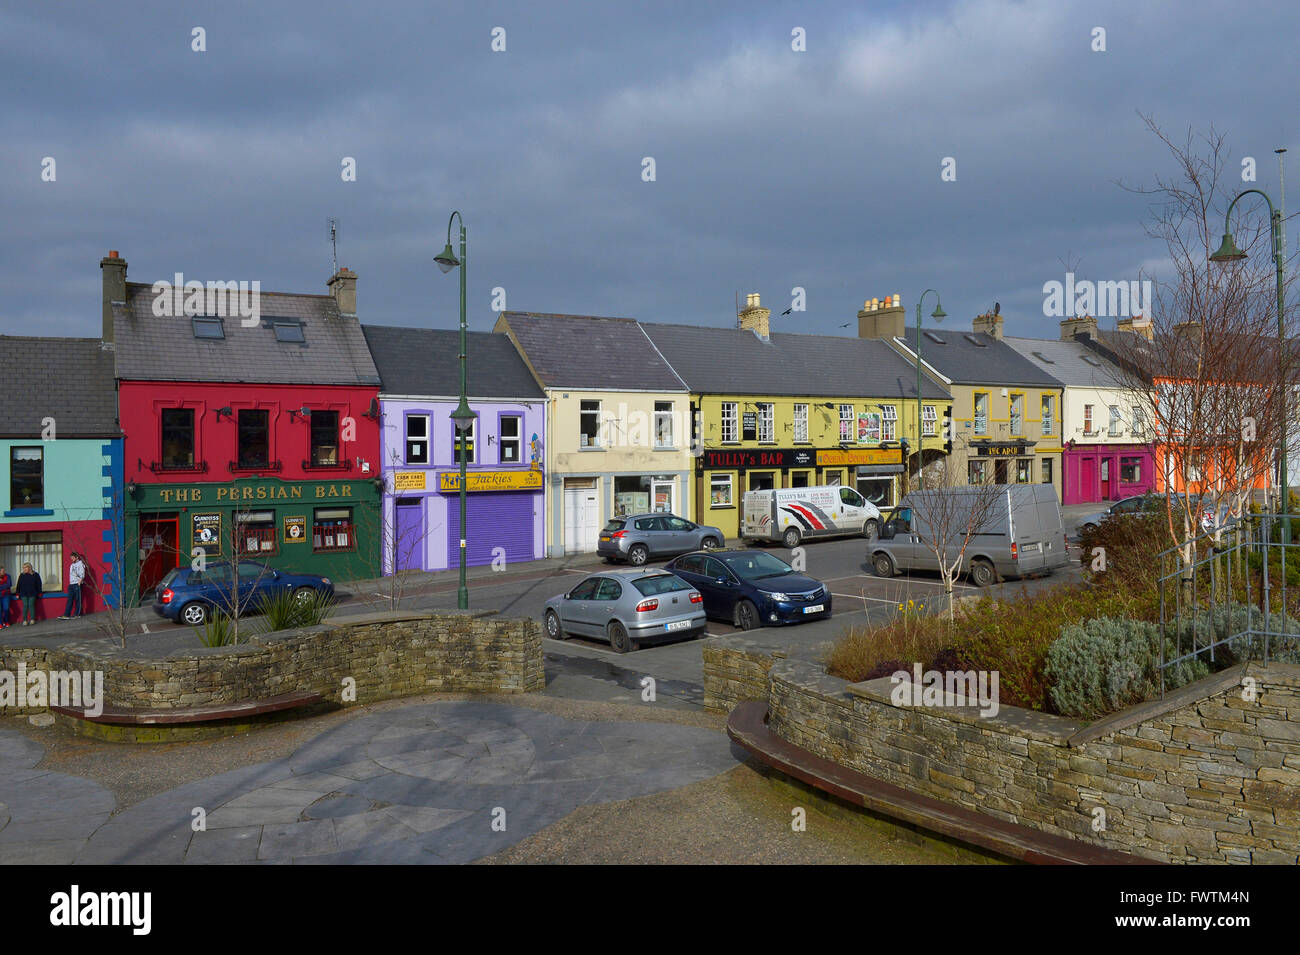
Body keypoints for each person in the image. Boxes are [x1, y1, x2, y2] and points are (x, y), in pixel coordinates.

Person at [60, 553, 86, 619]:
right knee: (69, 600)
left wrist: (80, 581)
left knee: (78, 600)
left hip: (77, 584)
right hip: (71, 584)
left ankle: (77, 614)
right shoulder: (71, 565)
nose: (72, 559)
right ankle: (66, 615)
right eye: (71, 558)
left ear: (77, 557)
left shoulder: (80, 564)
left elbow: (82, 573)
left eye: (73, 558)